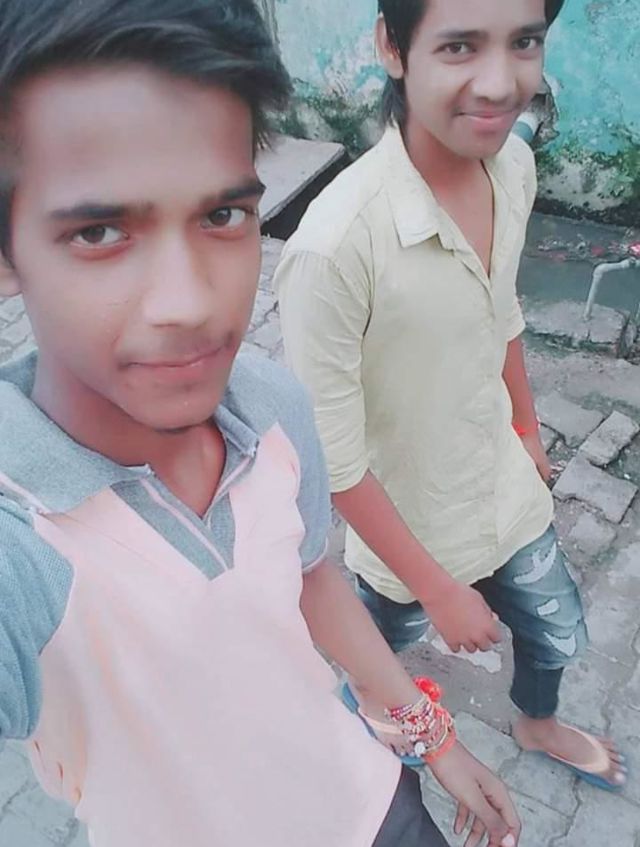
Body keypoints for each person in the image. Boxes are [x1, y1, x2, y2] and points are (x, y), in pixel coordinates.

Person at [0, 1, 523, 845]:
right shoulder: (21, 540)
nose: (190, 304)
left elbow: (310, 577)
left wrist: (432, 737)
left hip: (376, 803)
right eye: (100, 231)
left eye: (222, 216)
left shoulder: (271, 406)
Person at [275, 0, 626, 791]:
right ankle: (361, 735)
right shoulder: (333, 250)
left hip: (505, 492)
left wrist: (527, 428)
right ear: (392, 47)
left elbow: (501, 309)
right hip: (406, 533)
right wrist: (439, 590)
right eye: (461, 47)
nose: (500, 83)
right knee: (374, 654)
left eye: (524, 42)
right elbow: (331, 460)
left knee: (557, 631)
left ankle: (537, 723)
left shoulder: (513, 169)